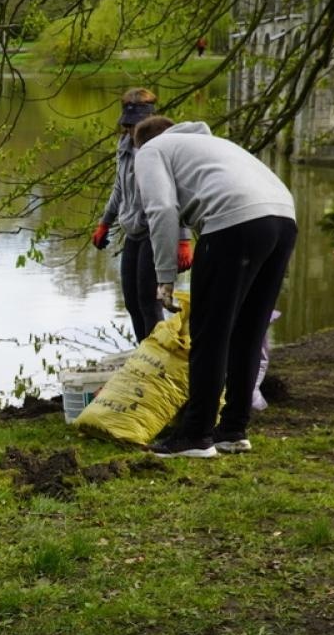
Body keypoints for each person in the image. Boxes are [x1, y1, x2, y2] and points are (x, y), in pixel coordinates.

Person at [133, 116, 297, 458]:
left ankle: (195, 435)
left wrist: (164, 277)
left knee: (210, 331)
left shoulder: (150, 150)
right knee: (249, 329)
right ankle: (233, 429)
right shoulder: (210, 144)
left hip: (234, 221)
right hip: (283, 217)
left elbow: (161, 209)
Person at [91, 89, 192, 342]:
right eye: (128, 123)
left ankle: (158, 361)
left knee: (149, 302)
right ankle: (144, 356)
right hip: (133, 231)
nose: (131, 130)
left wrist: (182, 239)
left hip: (156, 231)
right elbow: (119, 187)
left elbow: (176, 195)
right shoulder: (124, 145)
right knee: (132, 302)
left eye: (136, 123)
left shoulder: (160, 146)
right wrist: (105, 222)